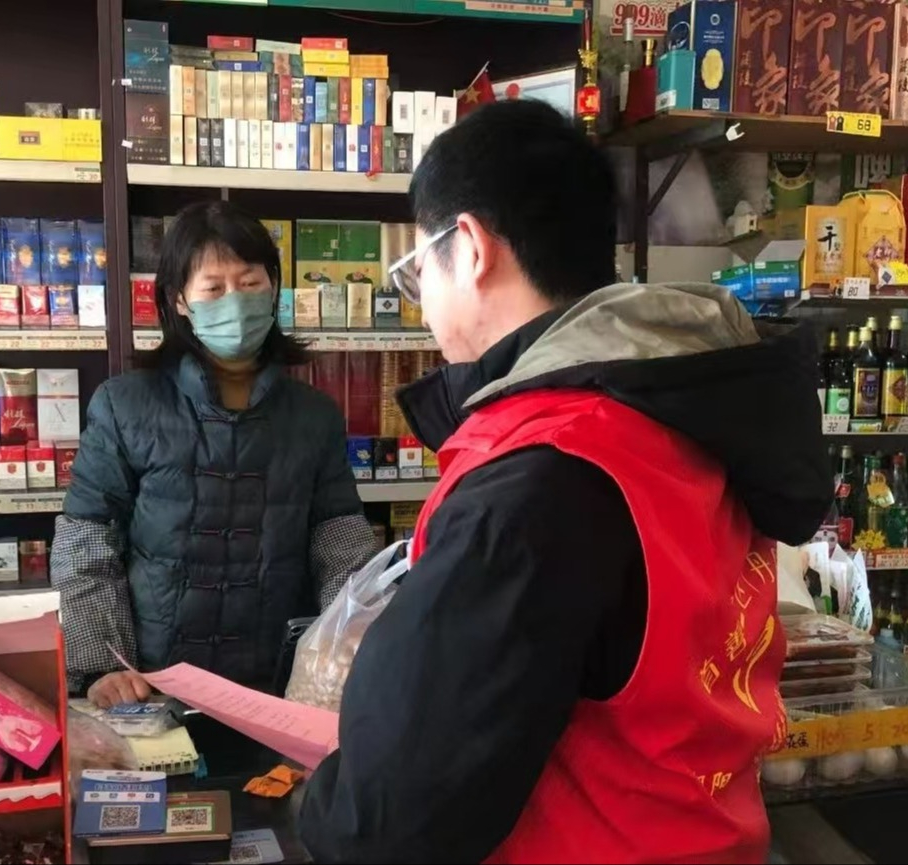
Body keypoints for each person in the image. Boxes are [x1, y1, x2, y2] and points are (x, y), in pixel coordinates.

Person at [299, 100, 832, 863]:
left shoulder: (539, 474)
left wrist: (314, 798)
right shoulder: (680, 402)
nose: (422, 300)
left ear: (470, 248)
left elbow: (392, 818)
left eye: (418, 269)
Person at [52, 201, 377, 707]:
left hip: (280, 687)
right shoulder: (125, 405)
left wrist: (347, 647)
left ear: (273, 287)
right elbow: (86, 544)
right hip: (151, 687)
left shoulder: (314, 415)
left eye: (250, 283)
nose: (235, 301)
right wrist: (103, 666)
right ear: (179, 299)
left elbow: (341, 546)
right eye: (213, 288)